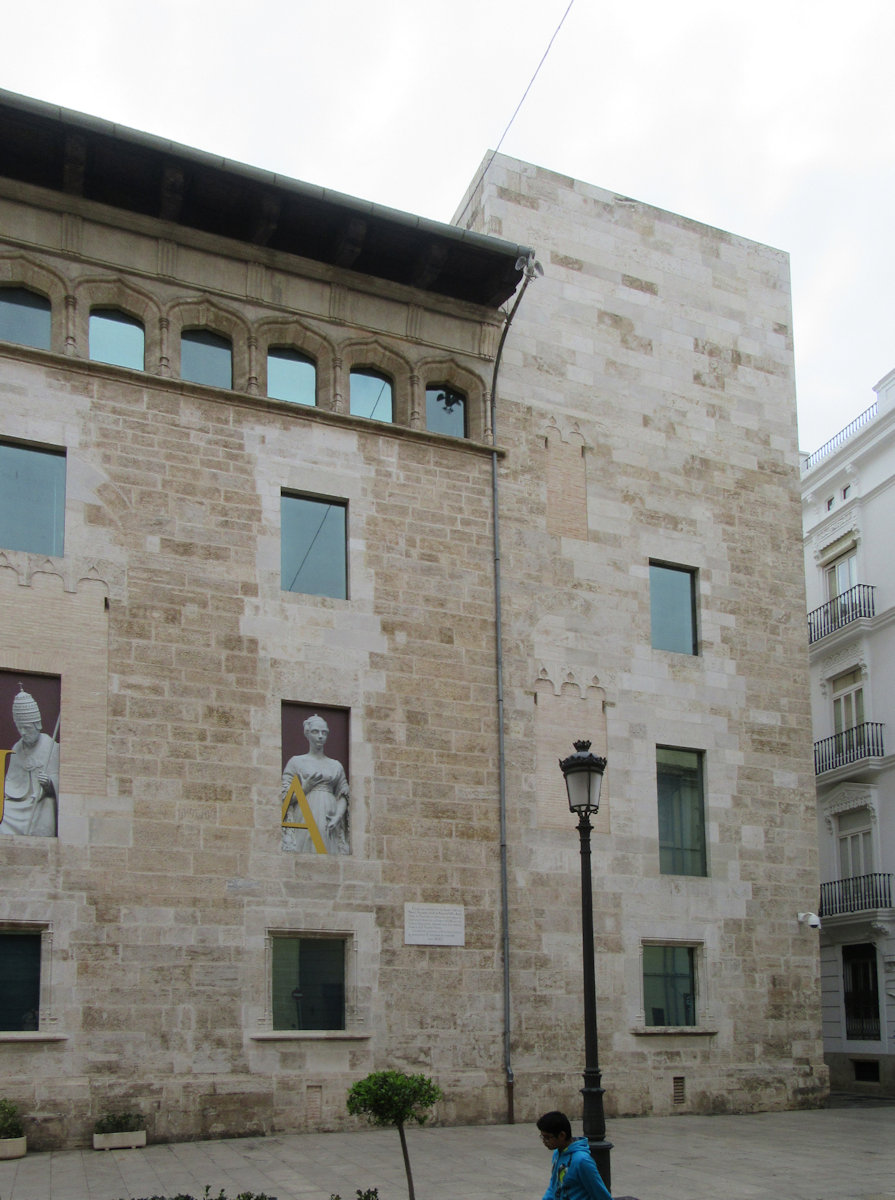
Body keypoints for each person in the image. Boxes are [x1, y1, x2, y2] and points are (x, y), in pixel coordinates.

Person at [281, 714, 349, 854]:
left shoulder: (335, 765)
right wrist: (305, 788)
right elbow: (284, 795)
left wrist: (337, 816)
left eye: (324, 732)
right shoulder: (296, 762)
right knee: (305, 845)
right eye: (315, 732)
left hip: (330, 811)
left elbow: (343, 794)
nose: (320, 736)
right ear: (307, 733)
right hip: (306, 808)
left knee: (328, 847)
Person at [1, 685, 59, 838]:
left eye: (26, 728)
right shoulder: (17, 747)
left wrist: (50, 783)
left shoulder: (51, 746)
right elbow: (11, 781)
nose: (23, 733)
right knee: (3, 810)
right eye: (19, 728)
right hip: (21, 802)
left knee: (48, 806)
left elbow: (61, 781)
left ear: (37, 725)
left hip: (40, 800)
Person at [537, 1111, 612, 1200]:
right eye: (542, 1137)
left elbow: (600, 1193)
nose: (544, 1141)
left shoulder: (582, 1161)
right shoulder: (558, 1153)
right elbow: (553, 1187)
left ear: (562, 1135)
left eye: (547, 1137)